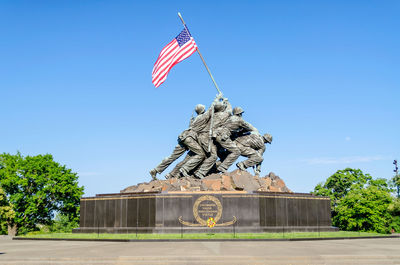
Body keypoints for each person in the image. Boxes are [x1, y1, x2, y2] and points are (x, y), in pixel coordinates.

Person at [149, 104, 206, 180]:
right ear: (203, 110)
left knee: (172, 157)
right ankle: (185, 169)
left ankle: (156, 170)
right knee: (201, 154)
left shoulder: (194, 119)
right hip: (190, 138)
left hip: (183, 137)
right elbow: (212, 109)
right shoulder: (202, 117)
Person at [212, 106, 259, 173]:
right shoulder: (239, 120)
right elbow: (250, 128)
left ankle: (213, 168)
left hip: (216, 134)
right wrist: (255, 131)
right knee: (236, 152)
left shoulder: (230, 118)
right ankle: (223, 167)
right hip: (223, 136)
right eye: (241, 114)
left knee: (225, 155)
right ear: (239, 114)